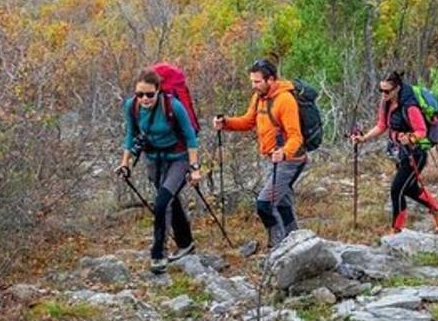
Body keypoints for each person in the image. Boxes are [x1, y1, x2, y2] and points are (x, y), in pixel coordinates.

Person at [115, 69, 202, 274]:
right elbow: (130, 134)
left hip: (178, 160)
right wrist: (125, 163)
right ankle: (186, 243)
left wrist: (195, 168)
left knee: (162, 201)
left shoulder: (173, 106)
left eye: (149, 94)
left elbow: (190, 137)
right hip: (154, 160)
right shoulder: (132, 107)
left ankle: (158, 254)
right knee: (169, 199)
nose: (144, 99)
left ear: (158, 91)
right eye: (139, 94)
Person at [214, 59, 307, 249]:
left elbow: (296, 136)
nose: (253, 85)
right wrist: (227, 123)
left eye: (257, 81)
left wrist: (284, 152)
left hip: (290, 161)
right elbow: (248, 121)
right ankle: (298, 242)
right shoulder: (259, 97)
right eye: (252, 81)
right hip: (271, 159)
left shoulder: (285, 100)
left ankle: (279, 246)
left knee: (265, 204)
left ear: (270, 80)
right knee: (281, 203)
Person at [353, 71, 438, 234]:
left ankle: (396, 229)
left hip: (415, 154)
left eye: (387, 91)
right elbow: (382, 125)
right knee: (409, 188)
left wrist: (410, 139)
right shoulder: (386, 103)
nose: (383, 95)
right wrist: (364, 138)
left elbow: (421, 131)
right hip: (401, 153)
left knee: (396, 189)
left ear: (397, 88)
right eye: (380, 90)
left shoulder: (410, 106)